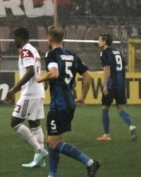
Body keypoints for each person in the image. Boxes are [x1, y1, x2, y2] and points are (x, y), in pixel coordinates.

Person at [35, 26, 101, 177]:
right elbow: (88, 76)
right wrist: (83, 97)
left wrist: (40, 78)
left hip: (59, 104)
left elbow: (54, 73)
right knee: (53, 139)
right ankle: (52, 174)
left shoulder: (51, 54)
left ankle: (90, 162)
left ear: (50, 38)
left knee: (53, 143)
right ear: (62, 38)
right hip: (69, 102)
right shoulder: (72, 55)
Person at [3, 27, 47, 168]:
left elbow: (30, 71)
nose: (13, 40)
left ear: (20, 37)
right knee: (35, 125)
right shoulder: (33, 50)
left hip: (31, 93)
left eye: (14, 37)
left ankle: (39, 150)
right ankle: (40, 161)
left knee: (15, 122)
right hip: (38, 92)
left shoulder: (26, 51)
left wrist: (14, 89)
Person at [97, 33, 137, 141]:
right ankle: (131, 126)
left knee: (105, 108)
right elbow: (125, 66)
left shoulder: (104, 53)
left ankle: (106, 134)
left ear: (105, 41)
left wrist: (105, 85)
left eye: (99, 40)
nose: (98, 42)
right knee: (121, 109)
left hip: (111, 84)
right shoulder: (117, 51)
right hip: (120, 84)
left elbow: (107, 69)